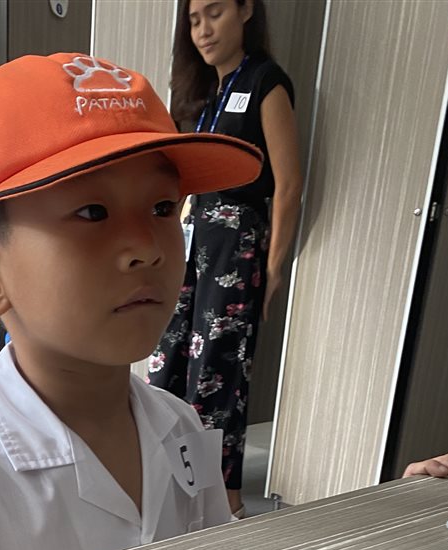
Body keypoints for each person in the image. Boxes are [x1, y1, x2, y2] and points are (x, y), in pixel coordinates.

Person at [0, 52, 448, 550]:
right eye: (93, 212)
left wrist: (393, 511)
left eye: (163, 209)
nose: (146, 248)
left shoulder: (178, 426)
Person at [147, 0, 302, 517]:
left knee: (217, 369)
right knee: (166, 362)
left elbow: (288, 185)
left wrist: (273, 270)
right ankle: (172, 485)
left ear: (245, 10)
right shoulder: (200, 93)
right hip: (191, 237)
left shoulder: (265, 82)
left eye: (214, 13)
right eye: (194, 21)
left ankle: (225, 500)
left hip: (237, 242)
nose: (203, 30)